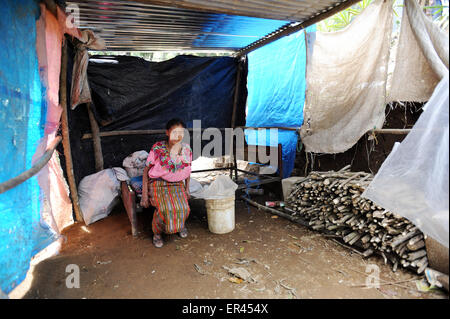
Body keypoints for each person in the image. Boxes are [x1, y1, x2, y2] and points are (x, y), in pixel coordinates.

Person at [141, 119, 192, 248]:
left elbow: (187, 170)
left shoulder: (186, 149)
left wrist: (187, 189)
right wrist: (144, 195)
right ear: (167, 132)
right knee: (165, 209)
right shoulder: (158, 148)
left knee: (184, 208)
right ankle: (157, 234)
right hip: (158, 183)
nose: (178, 136)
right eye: (175, 132)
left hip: (177, 184)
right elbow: (146, 170)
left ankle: (180, 226)